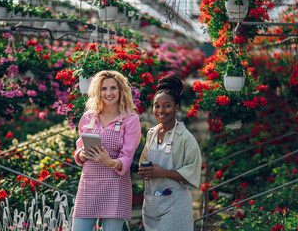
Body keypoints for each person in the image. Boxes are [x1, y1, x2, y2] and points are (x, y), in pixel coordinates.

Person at [72, 70, 141, 231]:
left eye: (113, 88)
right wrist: (81, 154)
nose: (108, 93)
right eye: (104, 89)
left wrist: (110, 162)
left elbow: (127, 156)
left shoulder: (130, 120)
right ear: (98, 91)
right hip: (88, 184)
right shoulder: (88, 117)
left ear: (121, 90)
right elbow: (79, 148)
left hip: (115, 186)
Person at [138, 74, 202, 231]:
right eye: (157, 106)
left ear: (176, 106)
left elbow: (192, 172)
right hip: (152, 204)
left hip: (175, 206)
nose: (161, 110)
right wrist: (144, 170)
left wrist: (162, 172)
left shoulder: (185, 138)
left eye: (166, 105)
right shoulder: (152, 134)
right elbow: (144, 161)